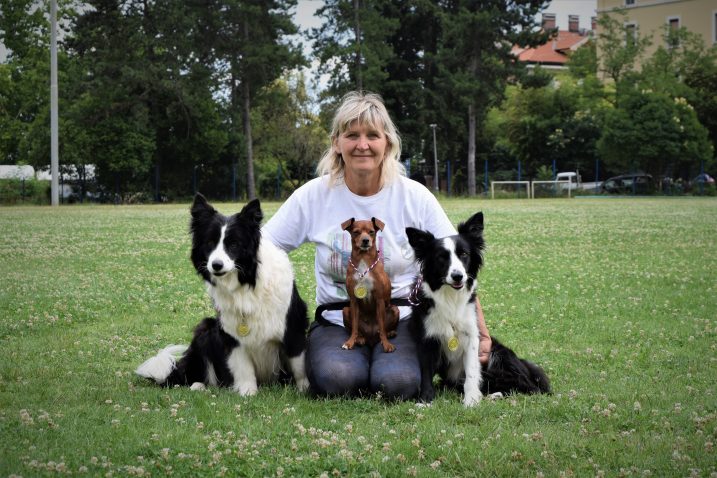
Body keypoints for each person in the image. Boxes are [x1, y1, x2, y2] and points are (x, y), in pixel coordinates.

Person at [262, 91, 491, 399]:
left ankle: (388, 362)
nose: (362, 145)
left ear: (388, 143)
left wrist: (482, 332)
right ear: (336, 142)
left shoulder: (415, 196)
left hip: (401, 319)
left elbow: (457, 263)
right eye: (352, 135)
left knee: (398, 383)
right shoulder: (312, 195)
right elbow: (264, 248)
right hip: (338, 318)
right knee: (337, 379)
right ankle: (350, 360)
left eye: (373, 135)